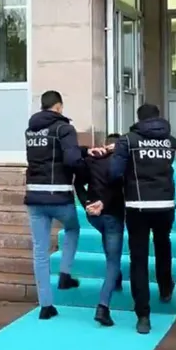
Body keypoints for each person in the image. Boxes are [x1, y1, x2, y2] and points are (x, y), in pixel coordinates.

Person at [24, 90, 106, 320]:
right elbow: (70, 159)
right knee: (72, 228)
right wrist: (86, 167)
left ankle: (45, 306)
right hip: (58, 195)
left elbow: (52, 152)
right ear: (59, 107)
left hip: (34, 196)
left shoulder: (31, 131)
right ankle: (65, 274)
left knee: (40, 251)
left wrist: (83, 150)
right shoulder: (64, 128)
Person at [109, 103, 176, 335]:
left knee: (138, 259)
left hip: (137, 205)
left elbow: (115, 172)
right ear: (158, 118)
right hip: (165, 203)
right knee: (163, 243)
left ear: (138, 119)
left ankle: (143, 316)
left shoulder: (128, 141)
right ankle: (166, 287)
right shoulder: (171, 141)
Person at [74, 133, 125, 327]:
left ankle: (117, 278)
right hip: (113, 214)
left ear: (105, 144)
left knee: (108, 239)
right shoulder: (121, 162)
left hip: (94, 216)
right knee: (113, 259)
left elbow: (78, 183)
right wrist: (103, 203)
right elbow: (117, 187)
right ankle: (103, 306)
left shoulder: (92, 160)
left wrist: (86, 203)